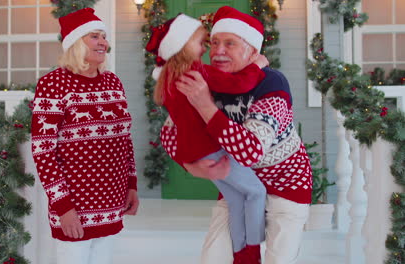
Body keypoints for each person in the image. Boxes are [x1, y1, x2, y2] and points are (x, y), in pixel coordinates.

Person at [160, 6, 313, 264]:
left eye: (230, 44)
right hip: (240, 186)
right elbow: (170, 133)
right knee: (214, 257)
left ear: (252, 51)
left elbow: (250, 151)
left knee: (279, 259)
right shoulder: (204, 80)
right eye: (215, 42)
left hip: (285, 184)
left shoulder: (272, 83)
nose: (218, 51)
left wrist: (205, 106)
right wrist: (194, 167)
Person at [146, 13, 269, 264]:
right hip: (213, 149)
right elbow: (237, 84)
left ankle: (240, 252)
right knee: (256, 192)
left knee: (236, 199)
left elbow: (172, 127)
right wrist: (258, 66)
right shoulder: (195, 72)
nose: (205, 48)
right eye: (202, 42)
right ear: (183, 44)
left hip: (194, 152)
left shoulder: (168, 77)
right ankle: (255, 248)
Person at [30, 8, 139, 264]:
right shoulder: (53, 84)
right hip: (75, 206)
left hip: (112, 201)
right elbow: (43, 151)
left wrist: (131, 185)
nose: (103, 42)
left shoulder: (113, 82)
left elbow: (125, 140)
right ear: (76, 43)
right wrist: (64, 208)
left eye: (104, 36)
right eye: (94, 36)